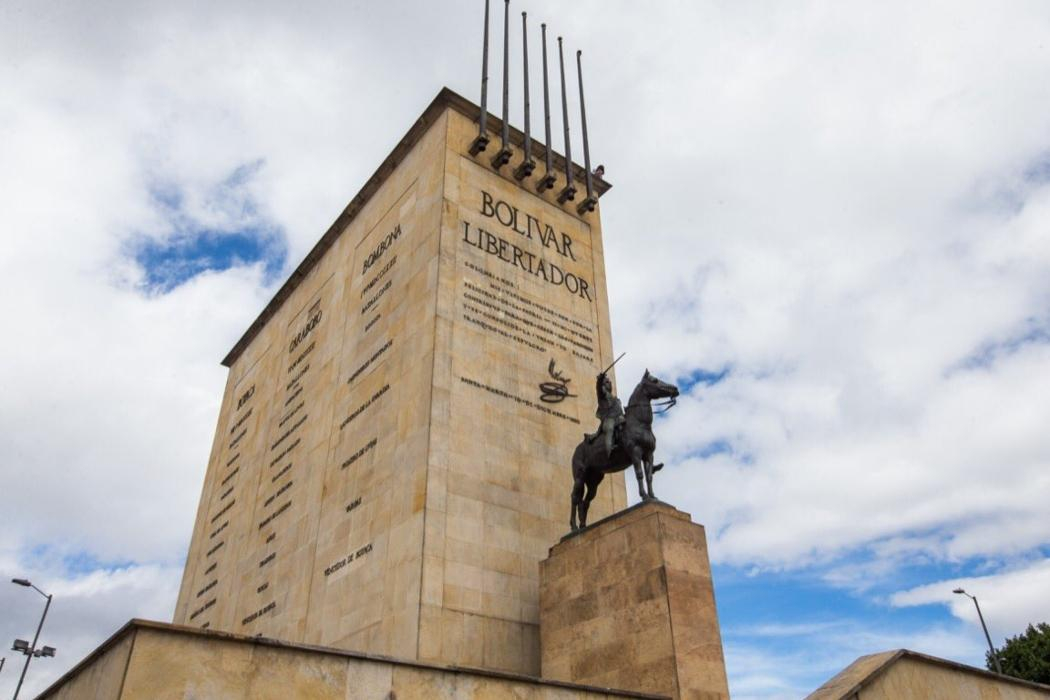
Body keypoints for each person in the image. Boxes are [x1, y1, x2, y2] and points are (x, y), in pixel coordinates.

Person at [592, 371, 624, 458]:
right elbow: (598, 388)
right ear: (603, 385)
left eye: (610, 382)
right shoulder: (602, 396)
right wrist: (600, 379)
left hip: (619, 418)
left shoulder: (616, 399)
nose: (609, 383)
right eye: (607, 382)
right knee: (610, 429)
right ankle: (610, 451)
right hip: (609, 419)